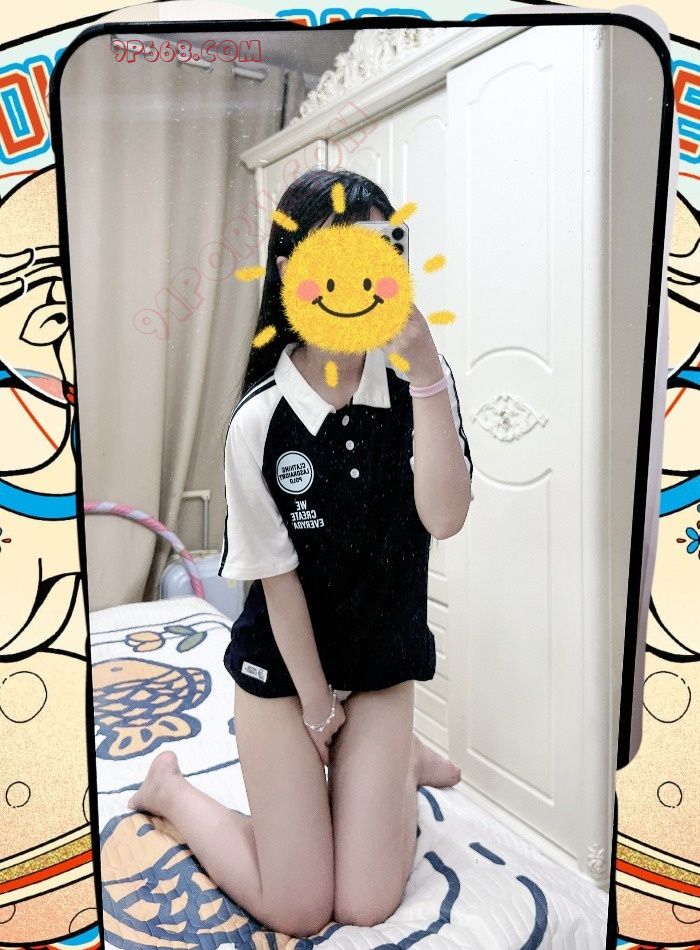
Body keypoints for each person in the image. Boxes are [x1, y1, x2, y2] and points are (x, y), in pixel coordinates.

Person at [129, 169, 473, 938]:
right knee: (300, 907)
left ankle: (396, 759)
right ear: (291, 271)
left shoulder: (420, 387)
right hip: (284, 673)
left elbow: (445, 518)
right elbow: (277, 583)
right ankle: (169, 791)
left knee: (365, 905)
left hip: (380, 664)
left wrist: (426, 369)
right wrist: (319, 711)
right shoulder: (259, 420)